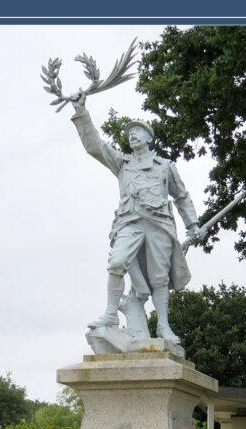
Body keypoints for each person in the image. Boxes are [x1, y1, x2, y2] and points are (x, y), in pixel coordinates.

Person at [70, 92, 202, 343]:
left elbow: (182, 196)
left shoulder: (165, 166)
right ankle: (110, 313)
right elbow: (95, 146)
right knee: (117, 262)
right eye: (130, 132)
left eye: (138, 131)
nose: (132, 134)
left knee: (159, 278)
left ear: (149, 138)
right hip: (129, 222)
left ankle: (163, 325)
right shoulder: (122, 163)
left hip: (159, 225)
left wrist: (193, 224)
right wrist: (82, 113)